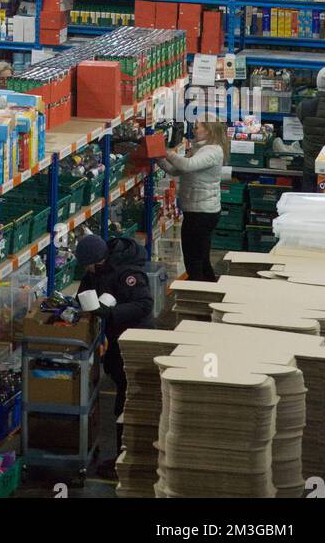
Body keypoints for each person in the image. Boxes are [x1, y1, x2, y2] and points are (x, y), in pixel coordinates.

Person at [76, 233, 153, 475]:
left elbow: (144, 305)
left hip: (135, 342)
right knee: (122, 395)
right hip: (116, 343)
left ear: (99, 259)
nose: (87, 270)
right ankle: (123, 456)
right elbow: (84, 293)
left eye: (89, 265)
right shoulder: (96, 271)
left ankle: (126, 460)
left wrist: (110, 313)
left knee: (127, 401)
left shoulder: (128, 273)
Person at [159, 118, 228, 282]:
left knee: (193, 261)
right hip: (197, 210)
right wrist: (157, 157)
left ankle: (196, 295)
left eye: (197, 128)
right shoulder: (199, 148)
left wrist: (166, 152)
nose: (193, 130)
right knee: (202, 259)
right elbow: (175, 170)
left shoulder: (213, 150)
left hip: (202, 213)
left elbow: (187, 166)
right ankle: (210, 289)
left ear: (208, 131)